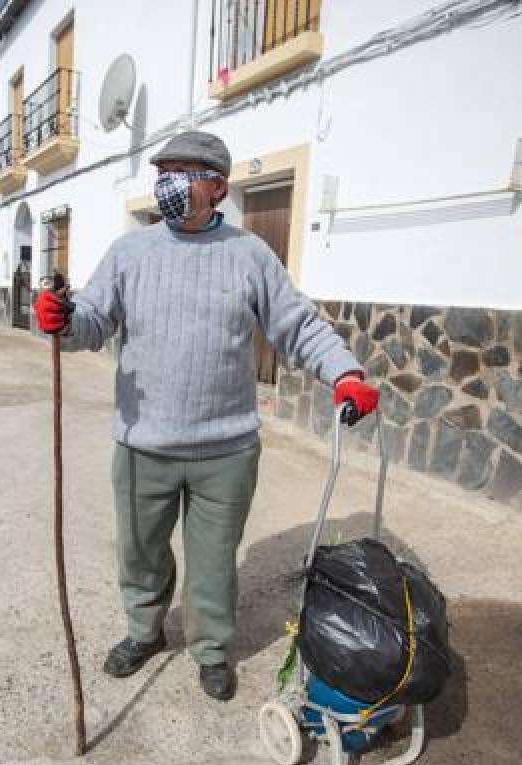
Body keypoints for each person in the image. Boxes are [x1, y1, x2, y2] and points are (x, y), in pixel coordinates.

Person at [34, 130, 379, 701]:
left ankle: (211, 650)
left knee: (214, 562)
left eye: (183, 173)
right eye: (163, 172)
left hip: (227, 450)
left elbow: (298, 325)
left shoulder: (250, 255)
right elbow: (91, 321)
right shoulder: (129, 252)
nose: (168, 184)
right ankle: (143, 632)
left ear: (216, 187)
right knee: (139, 552)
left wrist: (344, 372)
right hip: (143, 444)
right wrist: (62, 320)